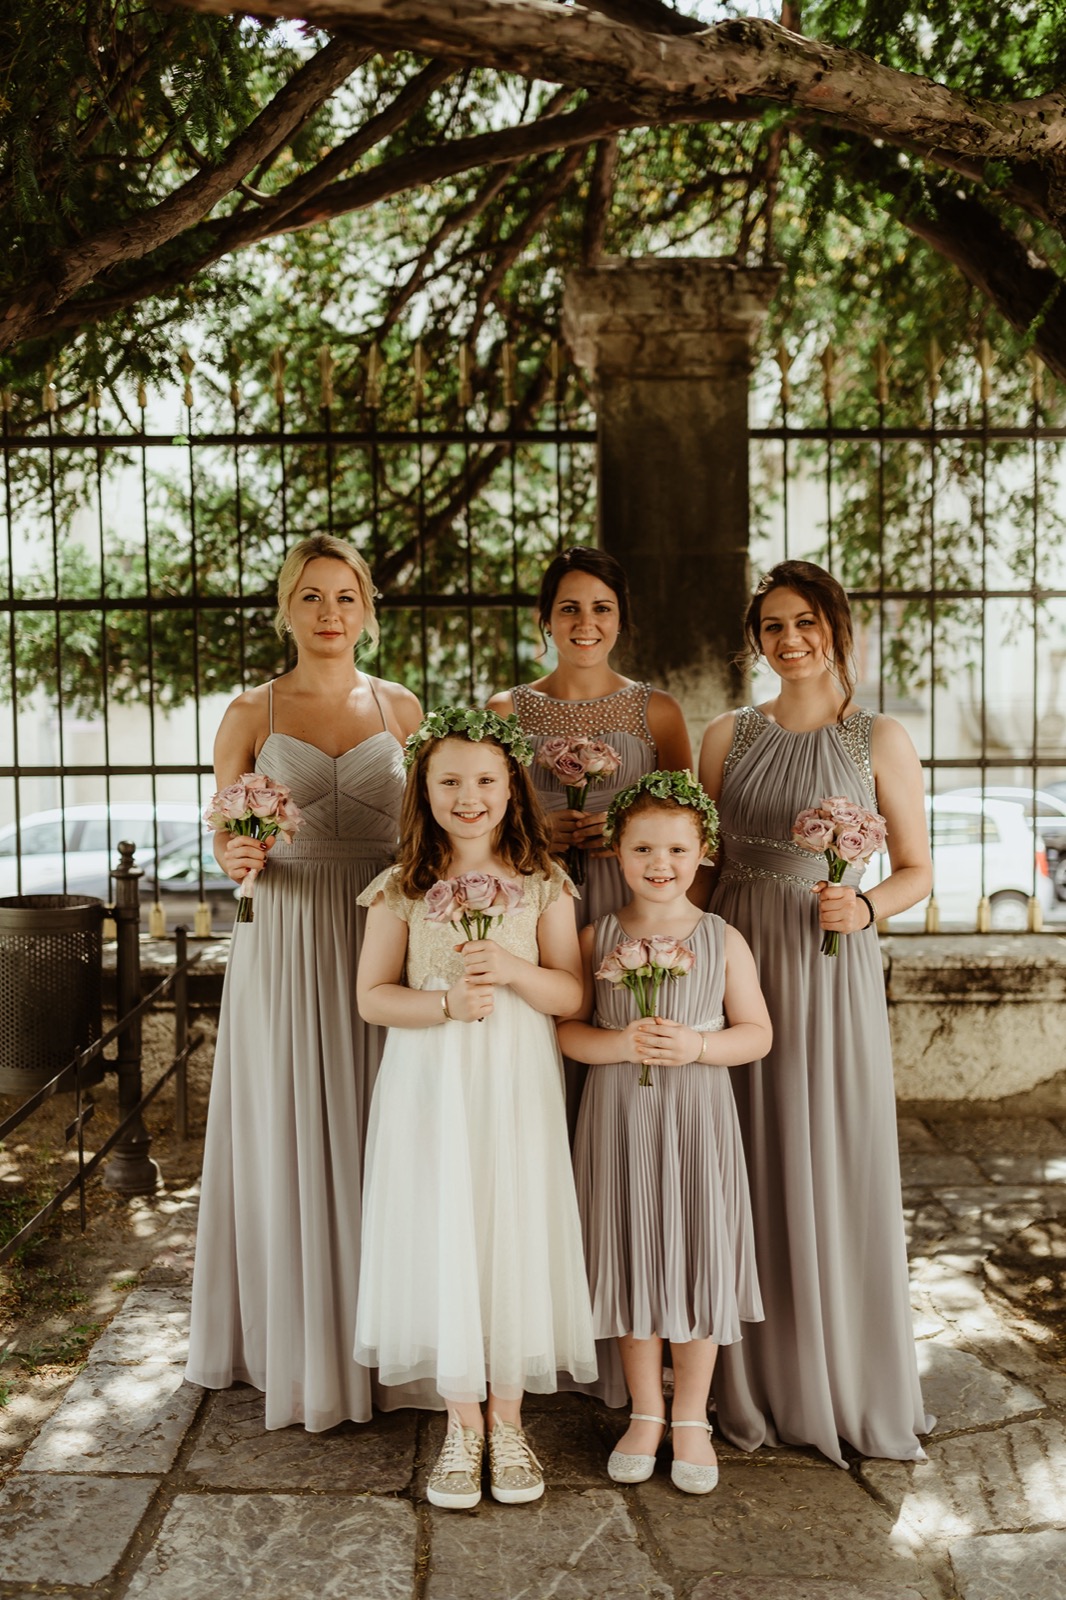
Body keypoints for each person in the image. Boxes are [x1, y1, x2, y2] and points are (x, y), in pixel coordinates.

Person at [698, 558, 934, 1466]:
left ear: (836, 626)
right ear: (755, 640)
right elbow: (707, 868)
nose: (789, 641)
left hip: (827, 962)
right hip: (737, 953)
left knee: (825, 1152)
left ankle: (837, 1377)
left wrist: (866, 905)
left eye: (805, 623)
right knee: (741, 1157)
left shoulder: (879, 739)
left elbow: (915, 868)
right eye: (772, 628)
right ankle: (739, 1379)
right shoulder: (727, 736)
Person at [185, 533, 422, 1431]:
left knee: (383, 1118)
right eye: (312, 597)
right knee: (289, 1117)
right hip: (283, 927)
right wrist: (235, 850)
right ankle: (295, 1339)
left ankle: (389, 1336)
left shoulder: (401, 708)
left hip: (379, 926)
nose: (330, 613)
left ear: (368, 608)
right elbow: (224, 826)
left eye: (345, 597)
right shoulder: (251, 709)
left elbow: (434, 822)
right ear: (286, 608)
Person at [353, 707, 597, 1510]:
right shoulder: (401, 887)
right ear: (423, 791)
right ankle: (461, 1424)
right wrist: (447, 1004)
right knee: (447, 1231)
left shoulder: (544, 882)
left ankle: (508, 1419)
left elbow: (571, 991)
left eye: (486, 780)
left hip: (515, 1088)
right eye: (449, 781)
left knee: (508, 1229)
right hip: (432, 1085)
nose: (469, 796)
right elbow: (372, 998)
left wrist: (512, 971)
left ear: (511, 790)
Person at [560, 771, 771, 1495]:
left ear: (703, 851)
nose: (660, 864)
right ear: (616, 852)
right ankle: (645, 1411)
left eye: (677, 850)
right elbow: (569, 1035)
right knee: (632, 1252)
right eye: (643, 847)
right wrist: (620, 1046)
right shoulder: (597, 936)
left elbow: (758, 1034)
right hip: (619, 1119)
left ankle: (691, 1418)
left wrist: (698, 1048)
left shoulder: (721, 938)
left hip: (698, 1121)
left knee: (696, 1253)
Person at [488, 545, 692, 1136]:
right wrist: (529, 829)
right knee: (540, 1054)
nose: (586, 623)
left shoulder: (658, 712)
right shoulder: (506, 710)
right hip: (532, 905)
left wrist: (630, 833)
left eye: (601, 608)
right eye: (569, 608)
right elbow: (471, 819)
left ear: (620, 618)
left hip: (628, 908)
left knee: (619, 1047)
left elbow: (692, 830)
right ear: (545, 619)